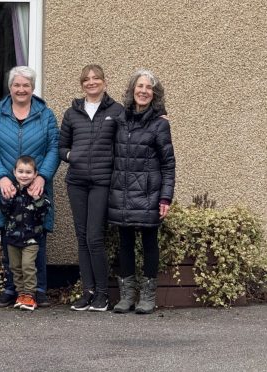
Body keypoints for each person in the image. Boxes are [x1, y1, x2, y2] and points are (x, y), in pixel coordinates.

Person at [0, 66, 60, 308]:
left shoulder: (46, 115)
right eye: (17, 84)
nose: (21, 89)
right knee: (10, 243)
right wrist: (2, 178)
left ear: (33, 88)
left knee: (37, 243)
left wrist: (42, 177)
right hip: (6, 189)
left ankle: (38, 290)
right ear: (10, 87)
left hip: (36, 189)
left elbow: (54, 149)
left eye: (26, 85)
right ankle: (11, 289)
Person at [108, 69, 175, 314]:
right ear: (132, 90)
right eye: (140, 86)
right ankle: (126, 296)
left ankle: (147, 296)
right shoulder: (120, 119)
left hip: (148, 194)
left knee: (149, 244)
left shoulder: (160, 124)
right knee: (124, 244)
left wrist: (165, 197)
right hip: (122, 192)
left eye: (149, 88)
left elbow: (169, 164)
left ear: (154, 94)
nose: (144, 91)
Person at [59, 65, 124, 312]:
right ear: (81, 84)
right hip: (76, 182)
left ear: (105, 83)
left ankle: (103, 294)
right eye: (86, 79)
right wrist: (71, 155)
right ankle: (87, 292)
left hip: (102, 182)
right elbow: (61, 147)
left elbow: (127, 138)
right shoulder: (72, 113)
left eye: (96, 78)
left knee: (95, 237)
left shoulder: (116, 111)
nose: (91, 82)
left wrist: (159, 115)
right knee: (82, 238)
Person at [0, 156, 51, 311]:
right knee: (15, 267)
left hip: (31, 239)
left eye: (28, 172)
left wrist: (37, 200)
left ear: (35, 174)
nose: (24, 175)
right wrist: (7, 199)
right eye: (20, 171)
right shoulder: (11, 190)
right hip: (12, 238)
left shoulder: (37, 191)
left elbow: (44, 212)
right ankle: (21, 294)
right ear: (14, 172)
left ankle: (30, 294)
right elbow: (3, 210)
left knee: (28, 266)